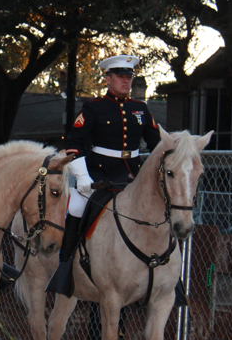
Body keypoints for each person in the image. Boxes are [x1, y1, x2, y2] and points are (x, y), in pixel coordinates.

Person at [46, 54, 161, 296]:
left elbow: (157, 145)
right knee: (76, 207)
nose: (126, 81)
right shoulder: (94, 107)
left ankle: (171, 278)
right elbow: (73, 144)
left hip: (133, 178)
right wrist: (83, 176)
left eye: (129, 77)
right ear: (108, 79)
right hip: (99, 177)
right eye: (120, 77)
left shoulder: (140, 109)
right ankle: (65, 267)